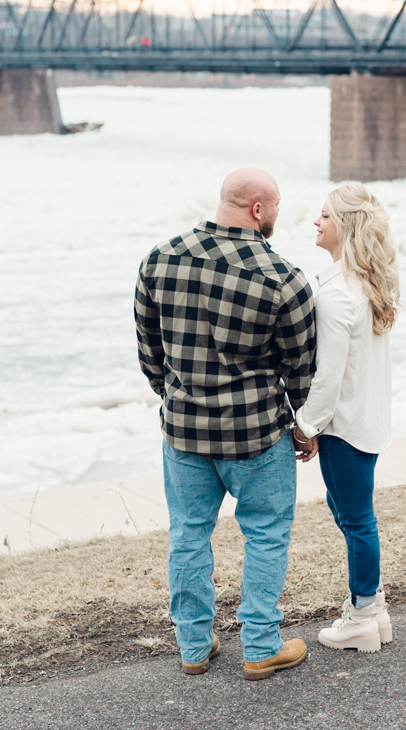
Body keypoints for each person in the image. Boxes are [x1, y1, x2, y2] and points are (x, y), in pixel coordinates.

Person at [134, 167, 317, 680]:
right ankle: (260, 647)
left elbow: (150, 349)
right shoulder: (284, 278)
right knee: (265, 534)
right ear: (259, 209)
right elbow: (300, 367)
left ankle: (194, 647)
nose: (278, 215)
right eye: (277, 206)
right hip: (257, 434)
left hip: (185, 432)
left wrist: (174, 396)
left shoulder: (160, 258)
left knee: (188, 534)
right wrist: (302, 424)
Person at [293, 182, 399, 653]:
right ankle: (374, 610)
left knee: (355, 521)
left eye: (325, 216)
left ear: (347, 226)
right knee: (356, 518)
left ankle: (360, 618)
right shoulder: (368, 284)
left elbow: (329, 375)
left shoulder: (336, 295)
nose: (316, 222)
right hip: (369, 420)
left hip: (344, 427)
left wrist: (305, 425)